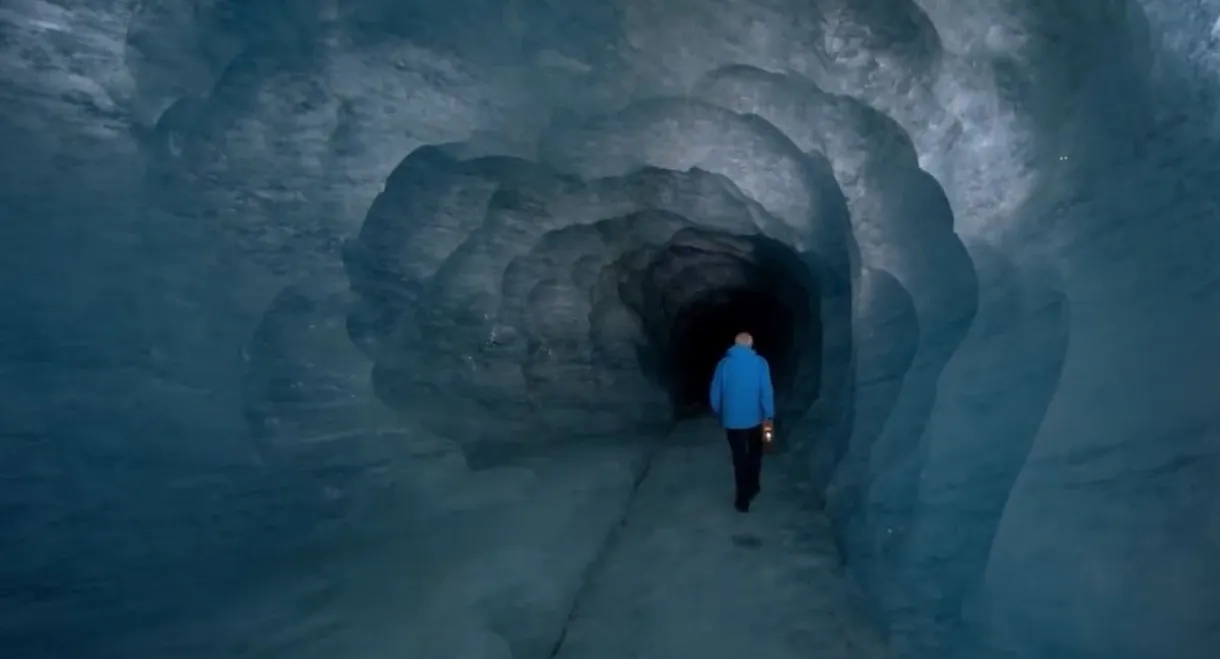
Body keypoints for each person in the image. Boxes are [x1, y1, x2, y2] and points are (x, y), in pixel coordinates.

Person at [708, 332, 775, 512]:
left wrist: (718, 410)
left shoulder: (724, 365)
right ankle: (753, 485)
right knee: (756, 453)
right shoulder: (760, 363)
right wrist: (769, 413)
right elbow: (766, 390)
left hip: (732, 420)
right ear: (751, 345)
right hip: (755, 418)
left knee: (739, 457)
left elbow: (716, 391)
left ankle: (742, 499)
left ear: (735, 346)